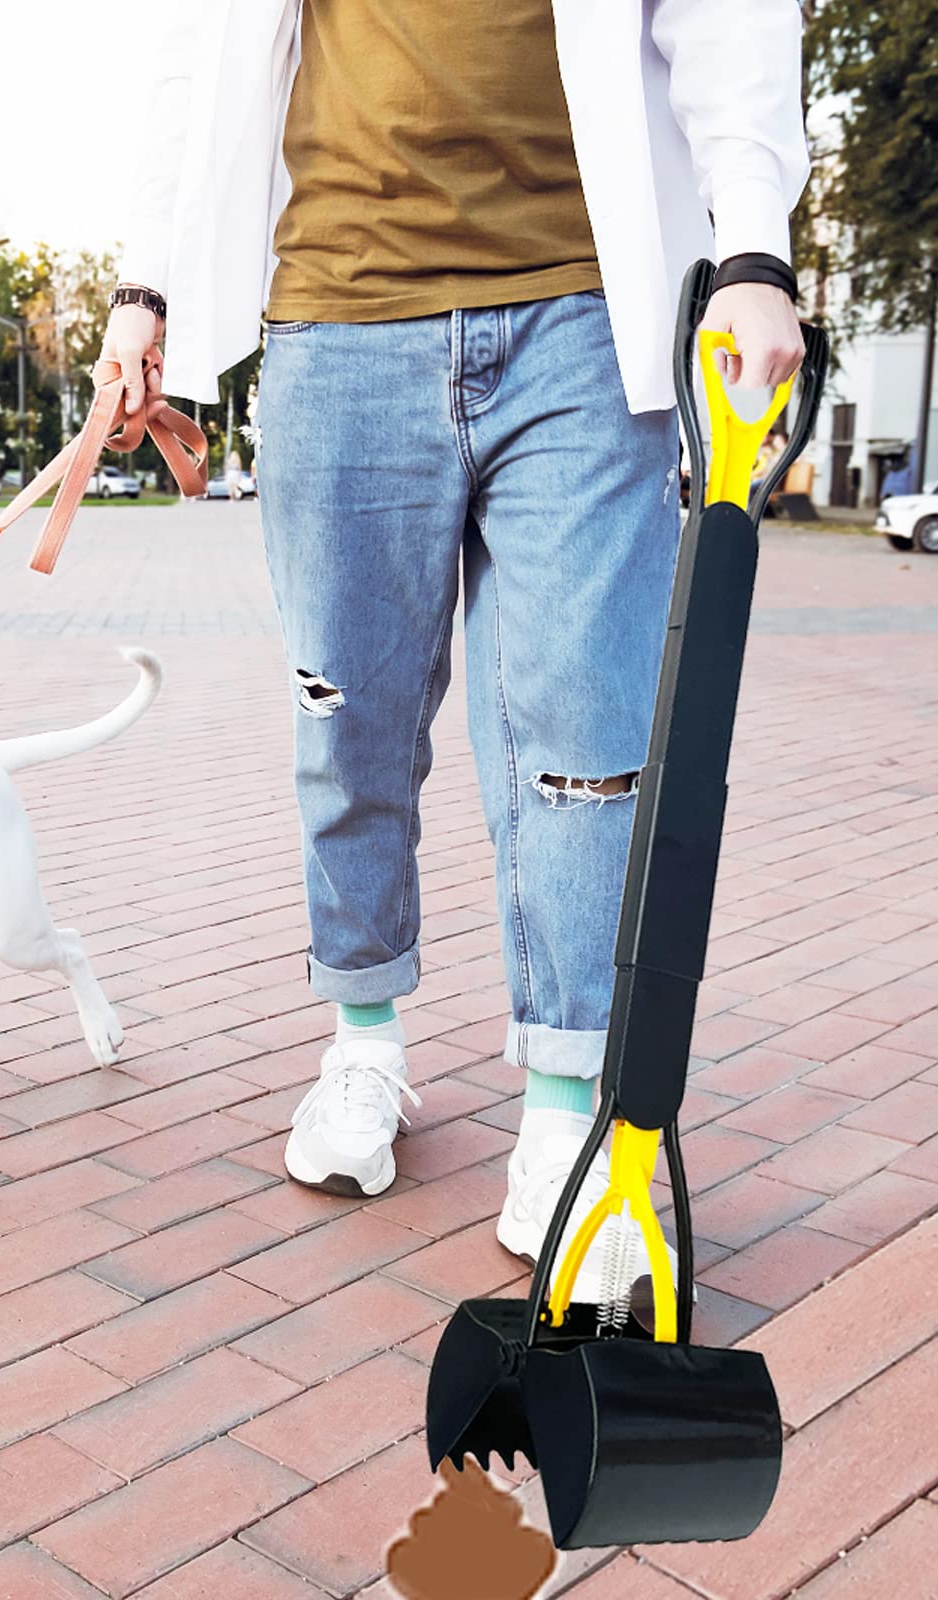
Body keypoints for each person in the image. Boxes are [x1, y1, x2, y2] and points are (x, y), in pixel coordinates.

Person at [102, 0, 808, 1301]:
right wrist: (145, 285)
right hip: (338, 314)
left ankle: (563, 1115)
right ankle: (363, 1040)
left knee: (583, 742)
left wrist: (755, 247)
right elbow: (190, 52)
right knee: (346, 716)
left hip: (591, 316)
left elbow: (728, 18)